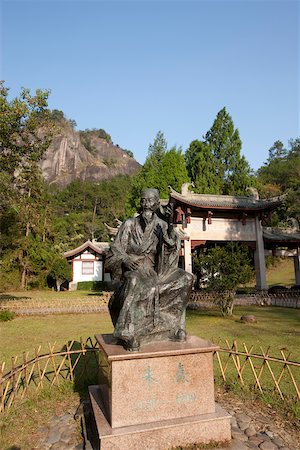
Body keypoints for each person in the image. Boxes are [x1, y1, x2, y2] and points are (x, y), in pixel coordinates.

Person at [106, 188, 194, 351]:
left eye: (150, 200)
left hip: (156, 271)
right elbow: (114, 250)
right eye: (143, 200)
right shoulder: (129, 224)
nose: (145, 203)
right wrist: (126, 258)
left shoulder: (161, 225)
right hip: (134, 270)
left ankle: (174, 328)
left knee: (186, 278)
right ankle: (127, 333)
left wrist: (169, 229)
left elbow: (169, 254)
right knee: (135, 281)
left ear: (157, 204)